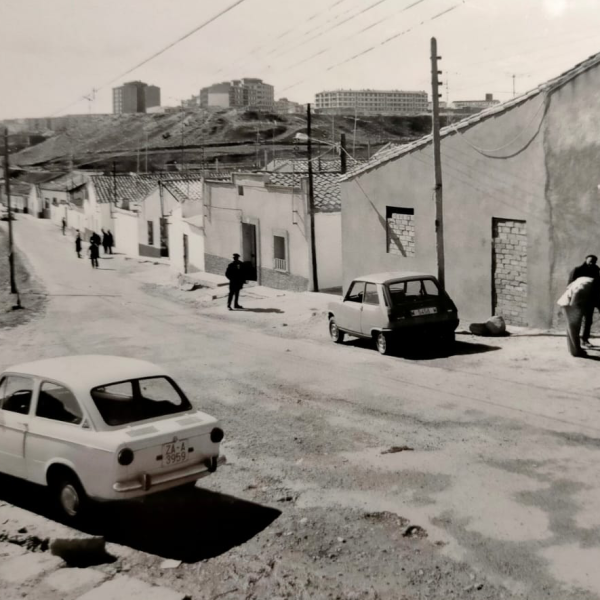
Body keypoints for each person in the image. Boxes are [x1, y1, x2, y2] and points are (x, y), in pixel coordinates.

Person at [557, 276, 598, 357]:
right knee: (574, 327)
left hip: (569, 299)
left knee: (572, 328)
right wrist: (573, 309)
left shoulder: (588, 280)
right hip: (571, 301)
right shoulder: (587, 286)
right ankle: (576, 351)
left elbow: (570, 286)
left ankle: (575, 350)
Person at [568, 255, 600, 347]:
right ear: (586, 260)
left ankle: (585, 339)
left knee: (588, 320)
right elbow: (570, 285)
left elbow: (597, 284)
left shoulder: (596, 269)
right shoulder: (577, 270)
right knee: (576, 321)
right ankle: (574, 342)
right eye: (590, 261)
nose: (591, 263)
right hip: (578, 300)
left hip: (590, 299)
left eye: (593, 262)